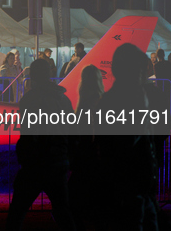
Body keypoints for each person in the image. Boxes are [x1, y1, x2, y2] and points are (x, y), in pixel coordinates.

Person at [94, 44, 159, 230]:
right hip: (125, 190)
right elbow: (124, 144)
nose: (143, 75)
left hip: (139, 189)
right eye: (139, 70)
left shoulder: (128, 99)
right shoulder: (117, 101)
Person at [6, 58, 76, 230]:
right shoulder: (63, 100)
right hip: (58, 160)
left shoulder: (30, 99)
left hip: (36, 163)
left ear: (33, 76)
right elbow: (72, 131)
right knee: (63, 211)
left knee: (17, 211)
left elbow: (29, 133)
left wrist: (25, 155)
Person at [69, 64, 104, 231]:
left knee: (77, 190)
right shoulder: (98, 99)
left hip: (84, 150)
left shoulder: (85, 100)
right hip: (92, 150)